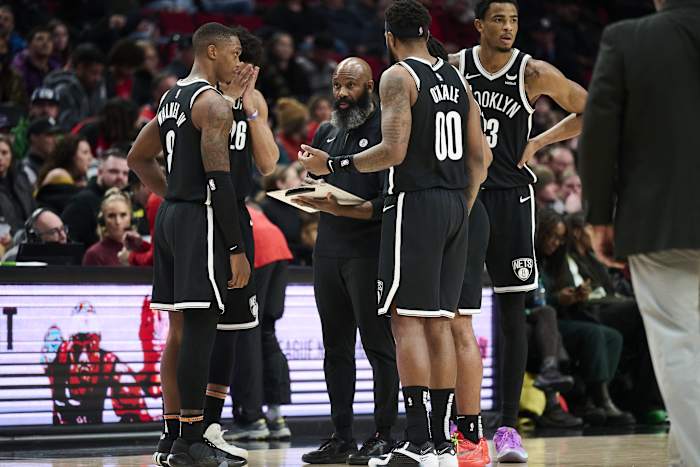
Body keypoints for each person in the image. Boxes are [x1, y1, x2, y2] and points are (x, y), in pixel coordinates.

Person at [300, 1, 487, 464]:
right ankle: (442, 441)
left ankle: (419, 439)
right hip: (453, 203)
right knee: (441, 321)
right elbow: (479, 157)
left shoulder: (398, 76)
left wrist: (335, 164)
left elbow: (394, 150)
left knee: (406, 324)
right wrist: (459, 205)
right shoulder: (456, 76)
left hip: (417, 202)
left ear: (389, 36)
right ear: (427, 31)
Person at [448, 0, 587, 460]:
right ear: (480, 25)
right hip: (464, 197)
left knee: (512, 310)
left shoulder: (533, 72)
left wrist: (541, 141)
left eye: (513, 20)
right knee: (452, 312)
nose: (508, 28)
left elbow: (590, 108)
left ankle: (507, 427)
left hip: (512, 198)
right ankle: (457, 425)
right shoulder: (453, 68)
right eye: (499, 20)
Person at [580, 1, 700, 459]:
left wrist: (598, 217)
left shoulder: (628, 39)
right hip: (660, 222)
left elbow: (599, 133)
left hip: (660, 221)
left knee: (680, 347)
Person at [128, 22, 251, 467]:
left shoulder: (171, 96)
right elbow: (220, 179)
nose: (238, 63)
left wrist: (172, 193)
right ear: (213, 51)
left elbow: (137, 157)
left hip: (171, 218)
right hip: (199, 217)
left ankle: (171, 435)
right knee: (200, 329)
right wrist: (236, 248)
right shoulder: (213, 104)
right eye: (234, 54)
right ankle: (192, 439)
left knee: (179, 332)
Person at [295, 57, 398, 465]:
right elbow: (326, 191)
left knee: (377, 347)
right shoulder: (326, 131)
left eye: (350, 86)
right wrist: (307, 190)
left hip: (369, 251)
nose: (341, 94)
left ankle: (384, 433)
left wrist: (342, 208)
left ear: (370, 86)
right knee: (335, 348)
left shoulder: (385, 132)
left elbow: (385, 205)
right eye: (337, 85)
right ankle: (341, 436)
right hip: (329, 251)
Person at [201, 25, 280, 455]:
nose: (248, 74)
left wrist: (249, 109)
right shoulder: (203, 100)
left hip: (238, 216)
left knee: (233, 329)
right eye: (243, 65)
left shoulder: (253, 101)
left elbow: (268, 164)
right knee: (196, 329)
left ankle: (213, 424)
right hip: (203, 217)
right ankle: (184, 424)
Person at [536, 208, 634, 427]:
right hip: (543, 321)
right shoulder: (531, 259)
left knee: (612, 336)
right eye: (551, 236)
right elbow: (535, 300)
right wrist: (556, 299)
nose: (555, 242)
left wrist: (576, 296)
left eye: (560, 238)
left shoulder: (559, 261)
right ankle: (597, 399)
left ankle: (600, 395)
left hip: (564, 316)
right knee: (595, 334)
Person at [61, 149, 129, 248]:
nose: (120, 177)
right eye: (114, 171)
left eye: (125, 173)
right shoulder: (82, 202)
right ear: (100, 172)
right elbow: (69, 242)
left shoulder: (127, 200)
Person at [43, 43, 107, 132]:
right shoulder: (63, 89)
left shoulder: (99, 86)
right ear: (80, 68)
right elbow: (67, 125)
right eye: (93, 73)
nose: (97, 78)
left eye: (100, 73)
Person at [35, 134, 94, 214]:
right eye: (85, 152)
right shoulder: (59, 174)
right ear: (71, 155)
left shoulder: (77, 180)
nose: (90, 157)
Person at [82, 188, 133, 266]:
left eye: (123, 215)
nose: (118, 222)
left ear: (131, 218)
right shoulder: (93, 254)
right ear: (103, 221)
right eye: (111, 216)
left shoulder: (141, 250)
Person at [2, 207, 68, 262]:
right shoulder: (13, 259)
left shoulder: (71, 256)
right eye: (53, 232)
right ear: (35, 238)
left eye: (63, 229)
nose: (63, 236)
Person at [0, 134, 34, 236]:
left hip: (28, 238)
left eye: (4, 153)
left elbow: (33, 210)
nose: (0, 157)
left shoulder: (22, 179)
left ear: (12, 155)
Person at [20, 117, 62, 186]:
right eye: (50, 135)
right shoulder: (25, 170)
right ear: (33, 137)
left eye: (56, 135)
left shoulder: (58, 165)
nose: (55, 141)